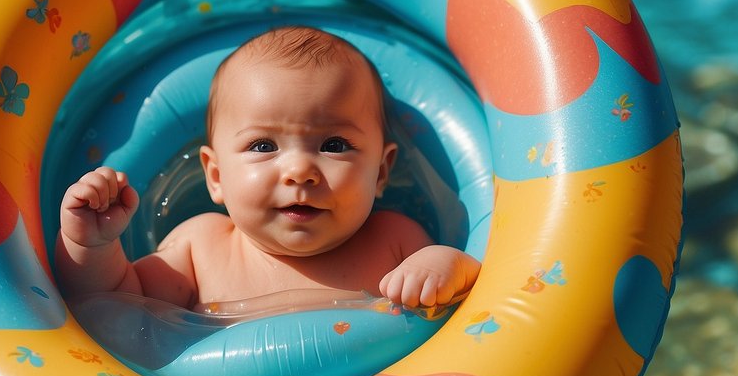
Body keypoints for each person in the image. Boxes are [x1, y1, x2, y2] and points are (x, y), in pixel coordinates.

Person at [56, 26, 481, 311]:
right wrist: (92, 247)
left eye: (334, 145)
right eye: (263, 145)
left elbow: (468, 282)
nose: (300, 170)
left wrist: (444, 266)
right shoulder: (198, 250)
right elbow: (111, 306)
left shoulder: (397, 241)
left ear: (381, 172)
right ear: (216, 176)